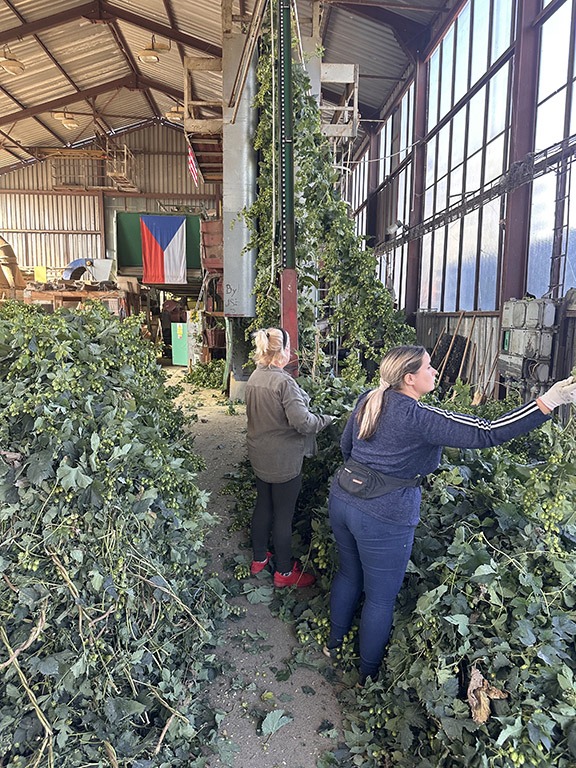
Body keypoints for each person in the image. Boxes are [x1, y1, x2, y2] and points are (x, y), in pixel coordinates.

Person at [326, 344, 576, 685]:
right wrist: (548, 401)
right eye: (429, 368)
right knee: (380, 598)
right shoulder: (421, 418)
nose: (435, 372)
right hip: (384, 516)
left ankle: (333, 643)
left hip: (343, 499)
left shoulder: (369, 399)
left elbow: (346, 448)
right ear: (410, 378)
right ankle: (367, 675)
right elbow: (487, 431)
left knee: (348, 576)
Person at [245, 327, 334, 588]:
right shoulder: (284, 383)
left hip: (259, 455)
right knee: (284, 515)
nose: (290, 351)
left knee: (263, 505)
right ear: (281, 352)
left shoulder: (254, 377)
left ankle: (259, 558)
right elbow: (304, 423)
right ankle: (284, 572)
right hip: (283, 460)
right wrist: (327, 420)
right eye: (288, 347)